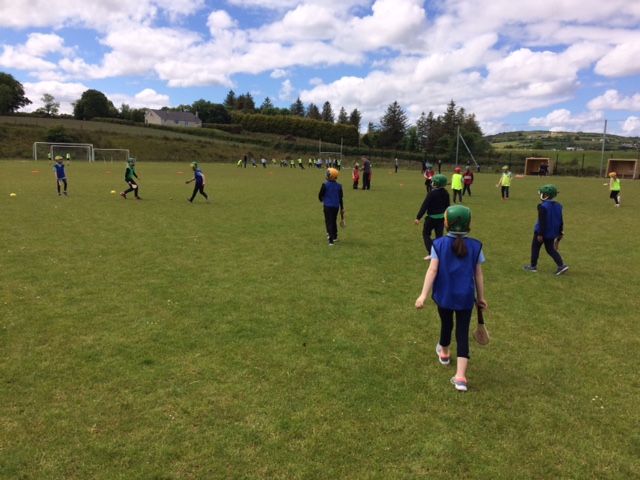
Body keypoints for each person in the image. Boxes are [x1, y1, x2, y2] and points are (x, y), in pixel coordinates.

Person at [415, 205, 487, 393]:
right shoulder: (475, 246)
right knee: (462, 333)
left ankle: (445, 353)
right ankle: (461, 377)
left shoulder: (438, 244)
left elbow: (432, 270)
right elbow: (478, 275)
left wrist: (423, 295)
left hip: (444, 295)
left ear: (446, 223)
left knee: (446, 324)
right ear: (468, 224)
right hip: (465, 298)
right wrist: (481, 297)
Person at [523, 185, 569, 275]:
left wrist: (540, 234)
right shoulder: (558, 206)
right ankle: (562, 265)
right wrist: (560, 232)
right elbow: (561, 220)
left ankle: (533, 266)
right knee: (550, 249)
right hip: (552, 232)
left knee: (535, 248)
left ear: (545, 195)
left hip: (542, 232)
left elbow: (542, 221)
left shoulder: (542, 206)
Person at [415, 174, 450, 260]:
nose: (432, 183)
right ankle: (438, 253)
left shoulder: (431, 194)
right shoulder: (446, 193)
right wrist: (447, 217)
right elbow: (448, 207)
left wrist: (418, 217)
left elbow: (425, 206)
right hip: (441, 219)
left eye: (434, 182)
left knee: (426, 233)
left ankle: (431, 252)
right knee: (439, 236)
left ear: (438, 183)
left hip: (431, 218)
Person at [318, 168, 344, 246]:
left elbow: (320, 195)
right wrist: (342, 208)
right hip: (336, 206)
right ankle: (335, 236)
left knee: (328, 221)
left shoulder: (325, 185)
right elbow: (340, 198)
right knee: (333, 220)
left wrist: (321, 200)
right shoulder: (339, 186)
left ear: (330, 176)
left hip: (328, 206)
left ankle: (330, 239)